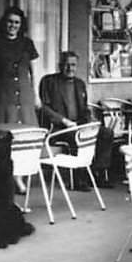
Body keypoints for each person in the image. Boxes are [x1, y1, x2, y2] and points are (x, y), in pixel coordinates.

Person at [37, 51, 116, 184]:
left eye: (73, 65)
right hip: (59, 128)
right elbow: (43, 108)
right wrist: (63, 120)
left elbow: (84, 109)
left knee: (106, 133)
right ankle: (80, 179)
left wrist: (90, 121)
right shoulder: (49, 81)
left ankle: (97, 172)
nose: (70, 68)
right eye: (66, 65)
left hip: (79, 125)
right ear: (60, 65)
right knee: (79, 136)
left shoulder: (80, 84)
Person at [0, 6, 40, 127]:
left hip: (25, 93)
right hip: (3, 93)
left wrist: (36, 96)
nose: (13, 25)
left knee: (27, 127)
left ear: (21, 25)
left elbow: (34, 73)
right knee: (4, 128)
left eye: (17, 22)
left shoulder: (27, 43)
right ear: (4, 22)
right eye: (10, 21)